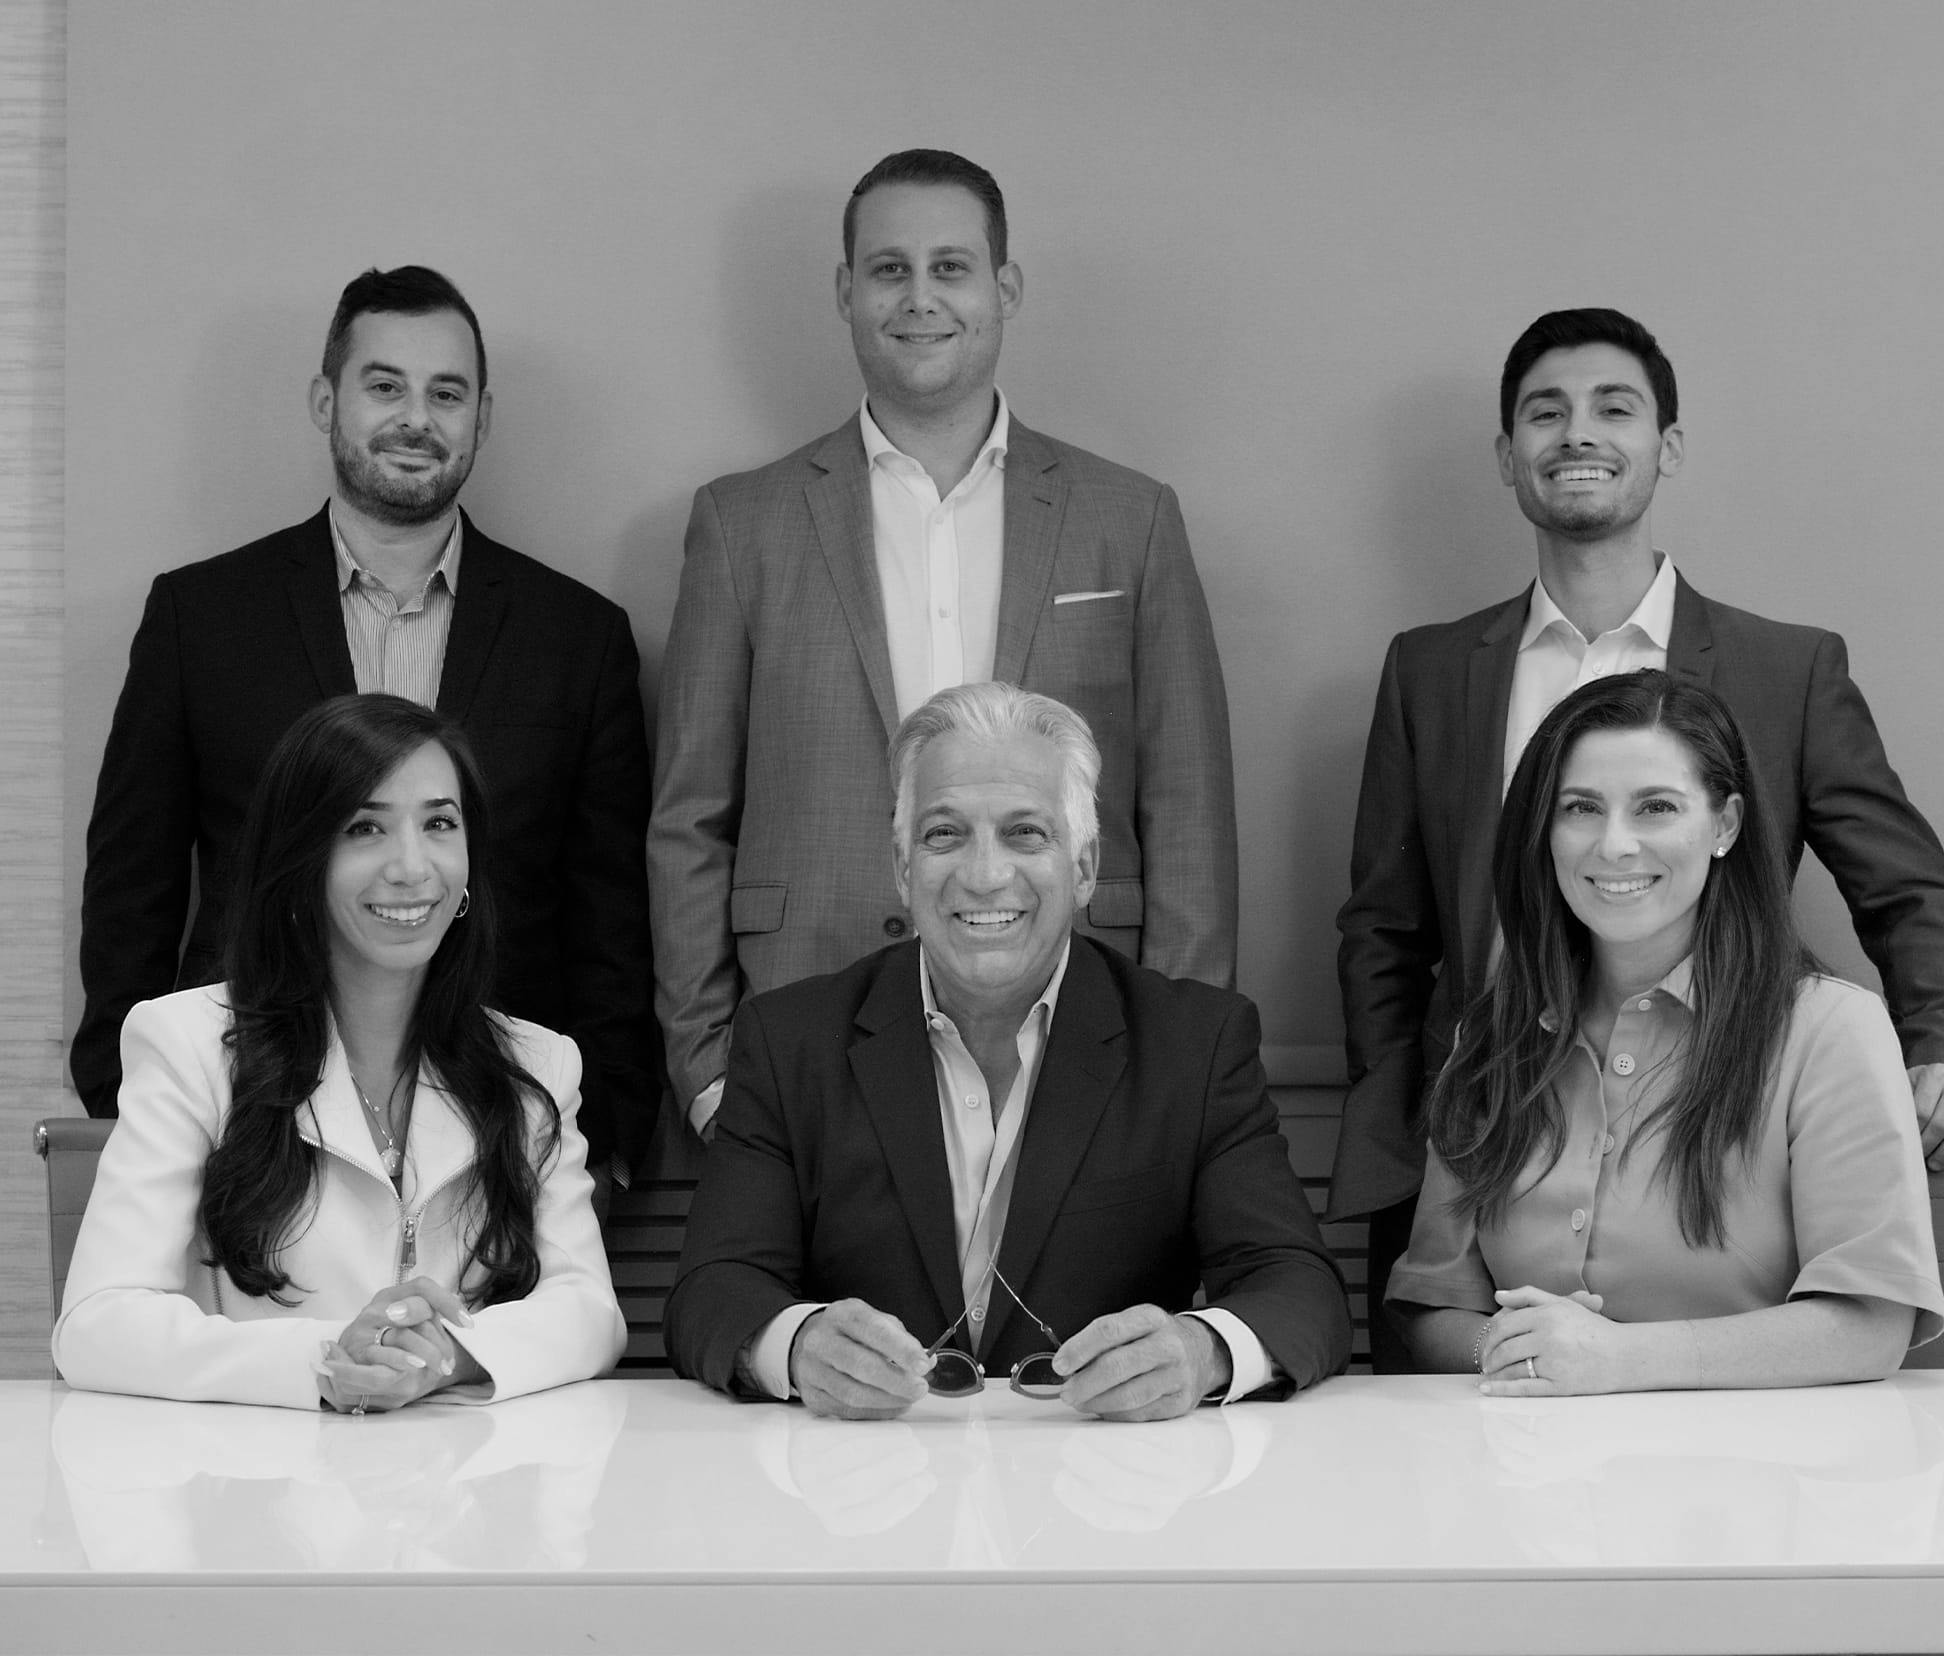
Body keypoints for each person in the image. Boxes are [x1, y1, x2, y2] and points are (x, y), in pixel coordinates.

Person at [1334, 307, 1944, 1369]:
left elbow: (1904, 886)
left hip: (1715, 1123)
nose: (1578, 431)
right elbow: (1384, 926)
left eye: (1613, 408)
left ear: (1667, 446)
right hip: (1491, 1134)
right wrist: (1410, 1118)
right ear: (1508, 455)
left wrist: (1935, 1040)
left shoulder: (1786, 668)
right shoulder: (1430, 670)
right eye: (1546, 412)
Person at [651, 149, 1237, 1143]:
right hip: (806, 1028)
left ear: (1005, 288)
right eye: (890, 269)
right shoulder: (742, 524)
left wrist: (1175, 1067)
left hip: (1084, 1032)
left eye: (951, 267)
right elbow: (690, 817)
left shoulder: (1130, 519)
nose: (920, 297)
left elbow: (1188, 811)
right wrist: (709, 1071)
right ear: (847, 292)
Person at [75, 265, 657, 1180]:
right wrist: (125, 1096)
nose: (416, 419)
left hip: (502, 1122)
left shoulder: (578, 638)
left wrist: (609, 1124)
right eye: (385, 386)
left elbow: (609, 913)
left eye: (446, 394)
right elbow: (130, 883)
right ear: (326, 401)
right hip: (242, 1107)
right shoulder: (201, 618)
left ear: (481, 418)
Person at [665, 682, 1347, 1419]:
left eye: (1025, 833)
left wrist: (1200, 1351)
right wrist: (796, 1345)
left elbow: (1299, 1287)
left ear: (1084, 868)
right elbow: (714, 1290)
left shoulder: (1195, 1043)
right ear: (902, 869)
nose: (985, 875)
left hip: (1101, 1468)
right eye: (944, 834)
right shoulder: (789, 1039)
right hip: (868, 1469)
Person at [54, 694, 627, 1411]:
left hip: (457, 1465)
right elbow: (98, 1325)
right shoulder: (187, 1043)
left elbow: (590, 1313)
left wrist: (451, 1356)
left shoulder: (535, 1065)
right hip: (252, 1466)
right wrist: (329, 1358)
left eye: (439, 824)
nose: (412, 867)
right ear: (301, 858)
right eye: (365, 828)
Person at [1386, 671, 1943, 1392]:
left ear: (1725, 825)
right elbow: (1433, 1307)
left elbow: (1872, 1326)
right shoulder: (1493, 1038)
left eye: (1656, 807)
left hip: (1769, 1460)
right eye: (1581, 808)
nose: (1615, 845)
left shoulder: (1832, 1031)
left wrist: (1618, 1359)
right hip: (1534, 1455)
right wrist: (1514, 1345)